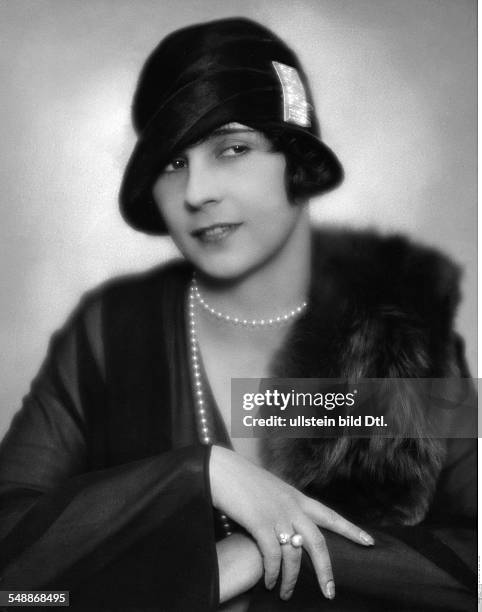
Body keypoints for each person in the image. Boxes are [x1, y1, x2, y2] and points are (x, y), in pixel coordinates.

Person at [0, 17, 476, 612]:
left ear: (295, 164)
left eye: (232, 148)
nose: (196, 191)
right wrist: (197, 476)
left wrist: (269, 548)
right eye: (173, 162)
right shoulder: (110, 333)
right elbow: (14, 580)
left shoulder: (403, 325)